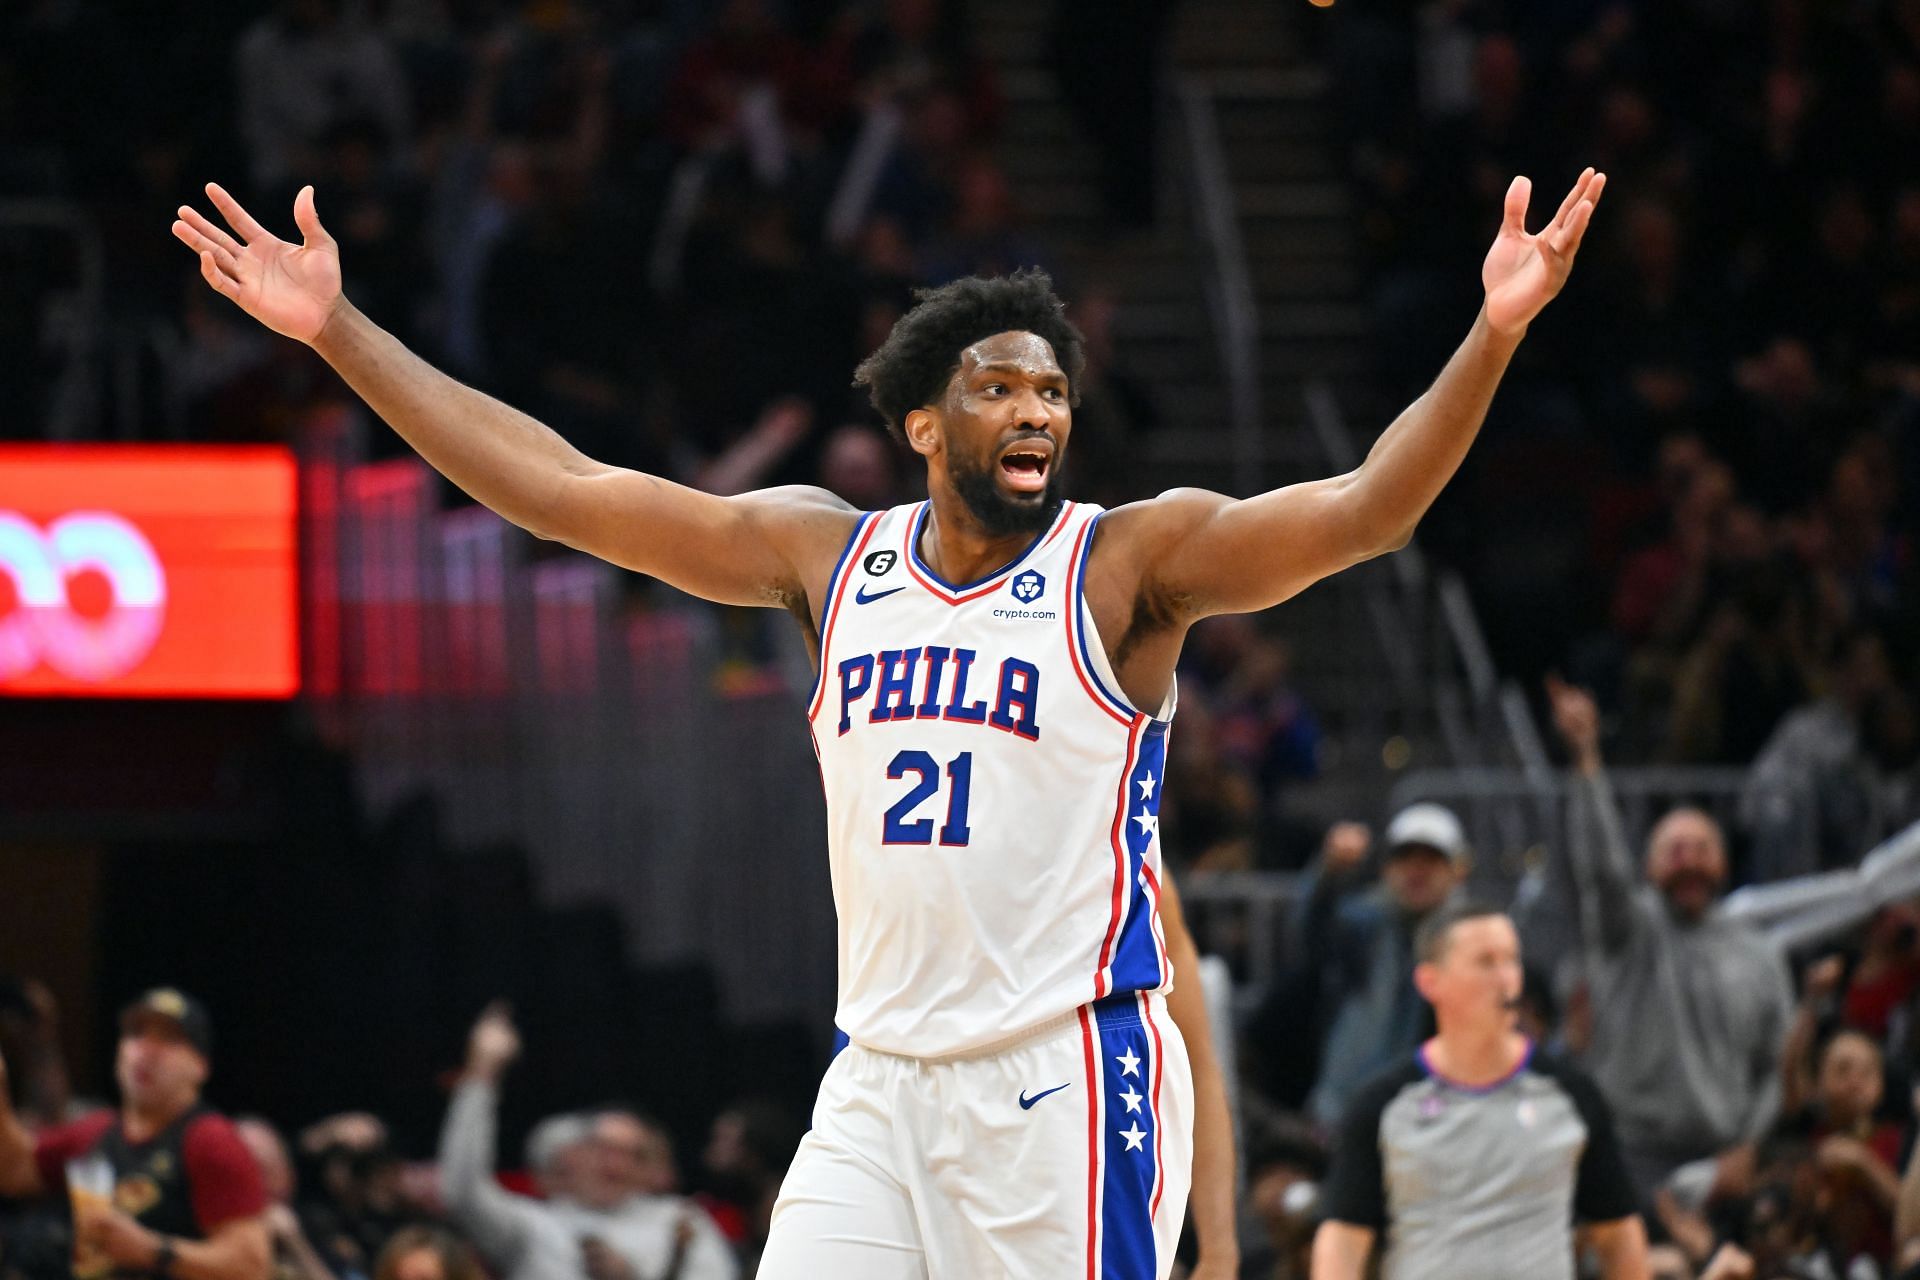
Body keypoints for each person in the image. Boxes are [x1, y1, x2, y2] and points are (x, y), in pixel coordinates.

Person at [171, 160, 1605, 1278]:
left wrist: (1491, 332)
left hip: (1063, 1077)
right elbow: (557, 486)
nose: (1036, 409)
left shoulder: (1127, 566)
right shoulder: (823, 554)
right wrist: (341, 333)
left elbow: (1367, 512)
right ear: (925, 421)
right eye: (999, 386)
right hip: (881, 1076)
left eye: (1053, 388)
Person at [1542, 677, 1795, 1200]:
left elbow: (1776, 1065)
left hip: (1725, 1165)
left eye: (1701, 847)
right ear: (1648, 867)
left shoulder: (1760, 952)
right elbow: (1602, 870)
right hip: (1630, 1159)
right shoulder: (1628, 933)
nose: (1689, 860)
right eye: (1674, 849)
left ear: (1724, 863)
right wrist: (1586, 760)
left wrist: (1749, 1147)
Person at [1311, 904, 1649, 1280]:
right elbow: (1343, 1237)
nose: (1506, 979)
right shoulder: (1384, 1105)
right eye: (1485, 962)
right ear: (1430, 982)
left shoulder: (1570, 1095)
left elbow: (1618, 1232)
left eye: (1511, 960)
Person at [437, 1005, 736, 1280]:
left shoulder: (681, 1223)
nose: (616, 1165)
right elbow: (462, 1191)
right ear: (574, 1155)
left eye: (635, 1155)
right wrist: (482, 1072)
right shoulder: (534, 1226)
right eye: (602, 1149)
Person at [0, 988, 271, 1280]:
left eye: (169, 1039)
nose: (146, 1050)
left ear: (201, 1067)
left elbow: (252, 1268)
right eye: (136, 1034)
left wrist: (155, 1251)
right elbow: (16, 1174)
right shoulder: (97, 1129)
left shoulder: (210, 1140)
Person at [1289, 805, 1471, 1129]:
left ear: (1458, 870)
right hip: (1343, 1111)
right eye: (1405, 858)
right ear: (1387, 868)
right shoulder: (1359, 926)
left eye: (1431, 859)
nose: (1417, 870)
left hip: (1435, 1117)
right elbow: (1309, 933)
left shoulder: (1473, 939)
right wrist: (1328, 874)